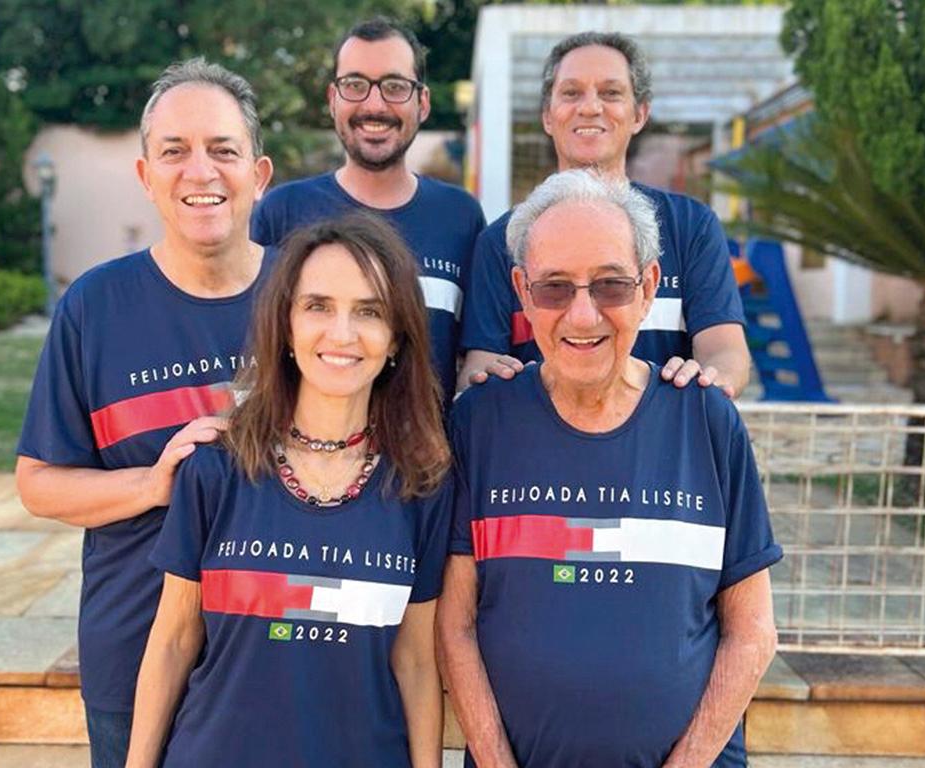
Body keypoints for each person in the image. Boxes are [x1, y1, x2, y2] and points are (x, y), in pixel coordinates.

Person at [437, 171, 781, 768]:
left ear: (648, 288)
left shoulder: (706, 421)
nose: (583, 315)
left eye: (610, 286)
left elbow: (752, 632)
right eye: (554, 288)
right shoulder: (480, 425)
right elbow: (455, 627)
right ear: (521, 290)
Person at [15, 59, 274, 767]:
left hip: (282, 654)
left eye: (223, 149)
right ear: (145, 177)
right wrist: (151, 484)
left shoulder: (311, 296)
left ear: (259, 174)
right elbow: (38, 481)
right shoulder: (94, 309)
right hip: (134, 652)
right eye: (175, 152)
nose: (201, 171)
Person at [125, 212, 451, 768]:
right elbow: (175, 640)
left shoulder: (420, 484)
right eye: (318, 306)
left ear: (395, 338)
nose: (342, 334)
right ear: (286, 326)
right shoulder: (218, 469)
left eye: (369, 311)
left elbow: (416, 661)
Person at [459, 31, 750, 398]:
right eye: (571, 92)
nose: (591, 107)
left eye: (611, 93)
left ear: (639, 114)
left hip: (661, 446)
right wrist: (487, 381)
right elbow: (481, 363)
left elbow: (726, 351)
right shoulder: (501, 241)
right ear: (548, 116)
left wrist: (709, 379)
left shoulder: (691, 227)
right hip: (543, 447)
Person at [251, 16, 485, 405]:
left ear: (422, 103)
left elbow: (472, 361)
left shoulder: (461, 217)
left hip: (429, 462)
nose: (374, 105)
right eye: (355, 86)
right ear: (332, 99)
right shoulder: (282, 212)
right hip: (307, 461)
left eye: (394, 87)